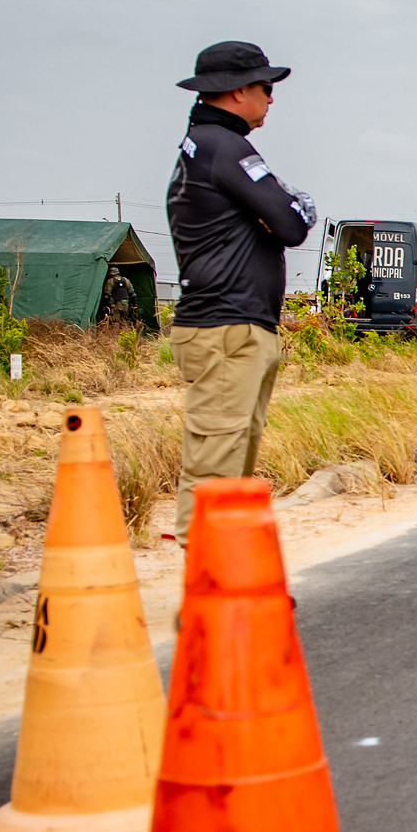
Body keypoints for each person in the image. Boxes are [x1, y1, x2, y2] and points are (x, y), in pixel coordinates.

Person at [164, 41, 318, 545]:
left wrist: (276, 213)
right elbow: (292, 222)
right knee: (215, 470)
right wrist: (290, 207)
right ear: (236, 91)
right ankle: (204, 600)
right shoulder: (222, 147)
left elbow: (276, 218)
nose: (271, 99)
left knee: (231, 466)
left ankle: (227, 588)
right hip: (225, 327)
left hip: (236, 325)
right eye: (265, 87)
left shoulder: (207, 145)